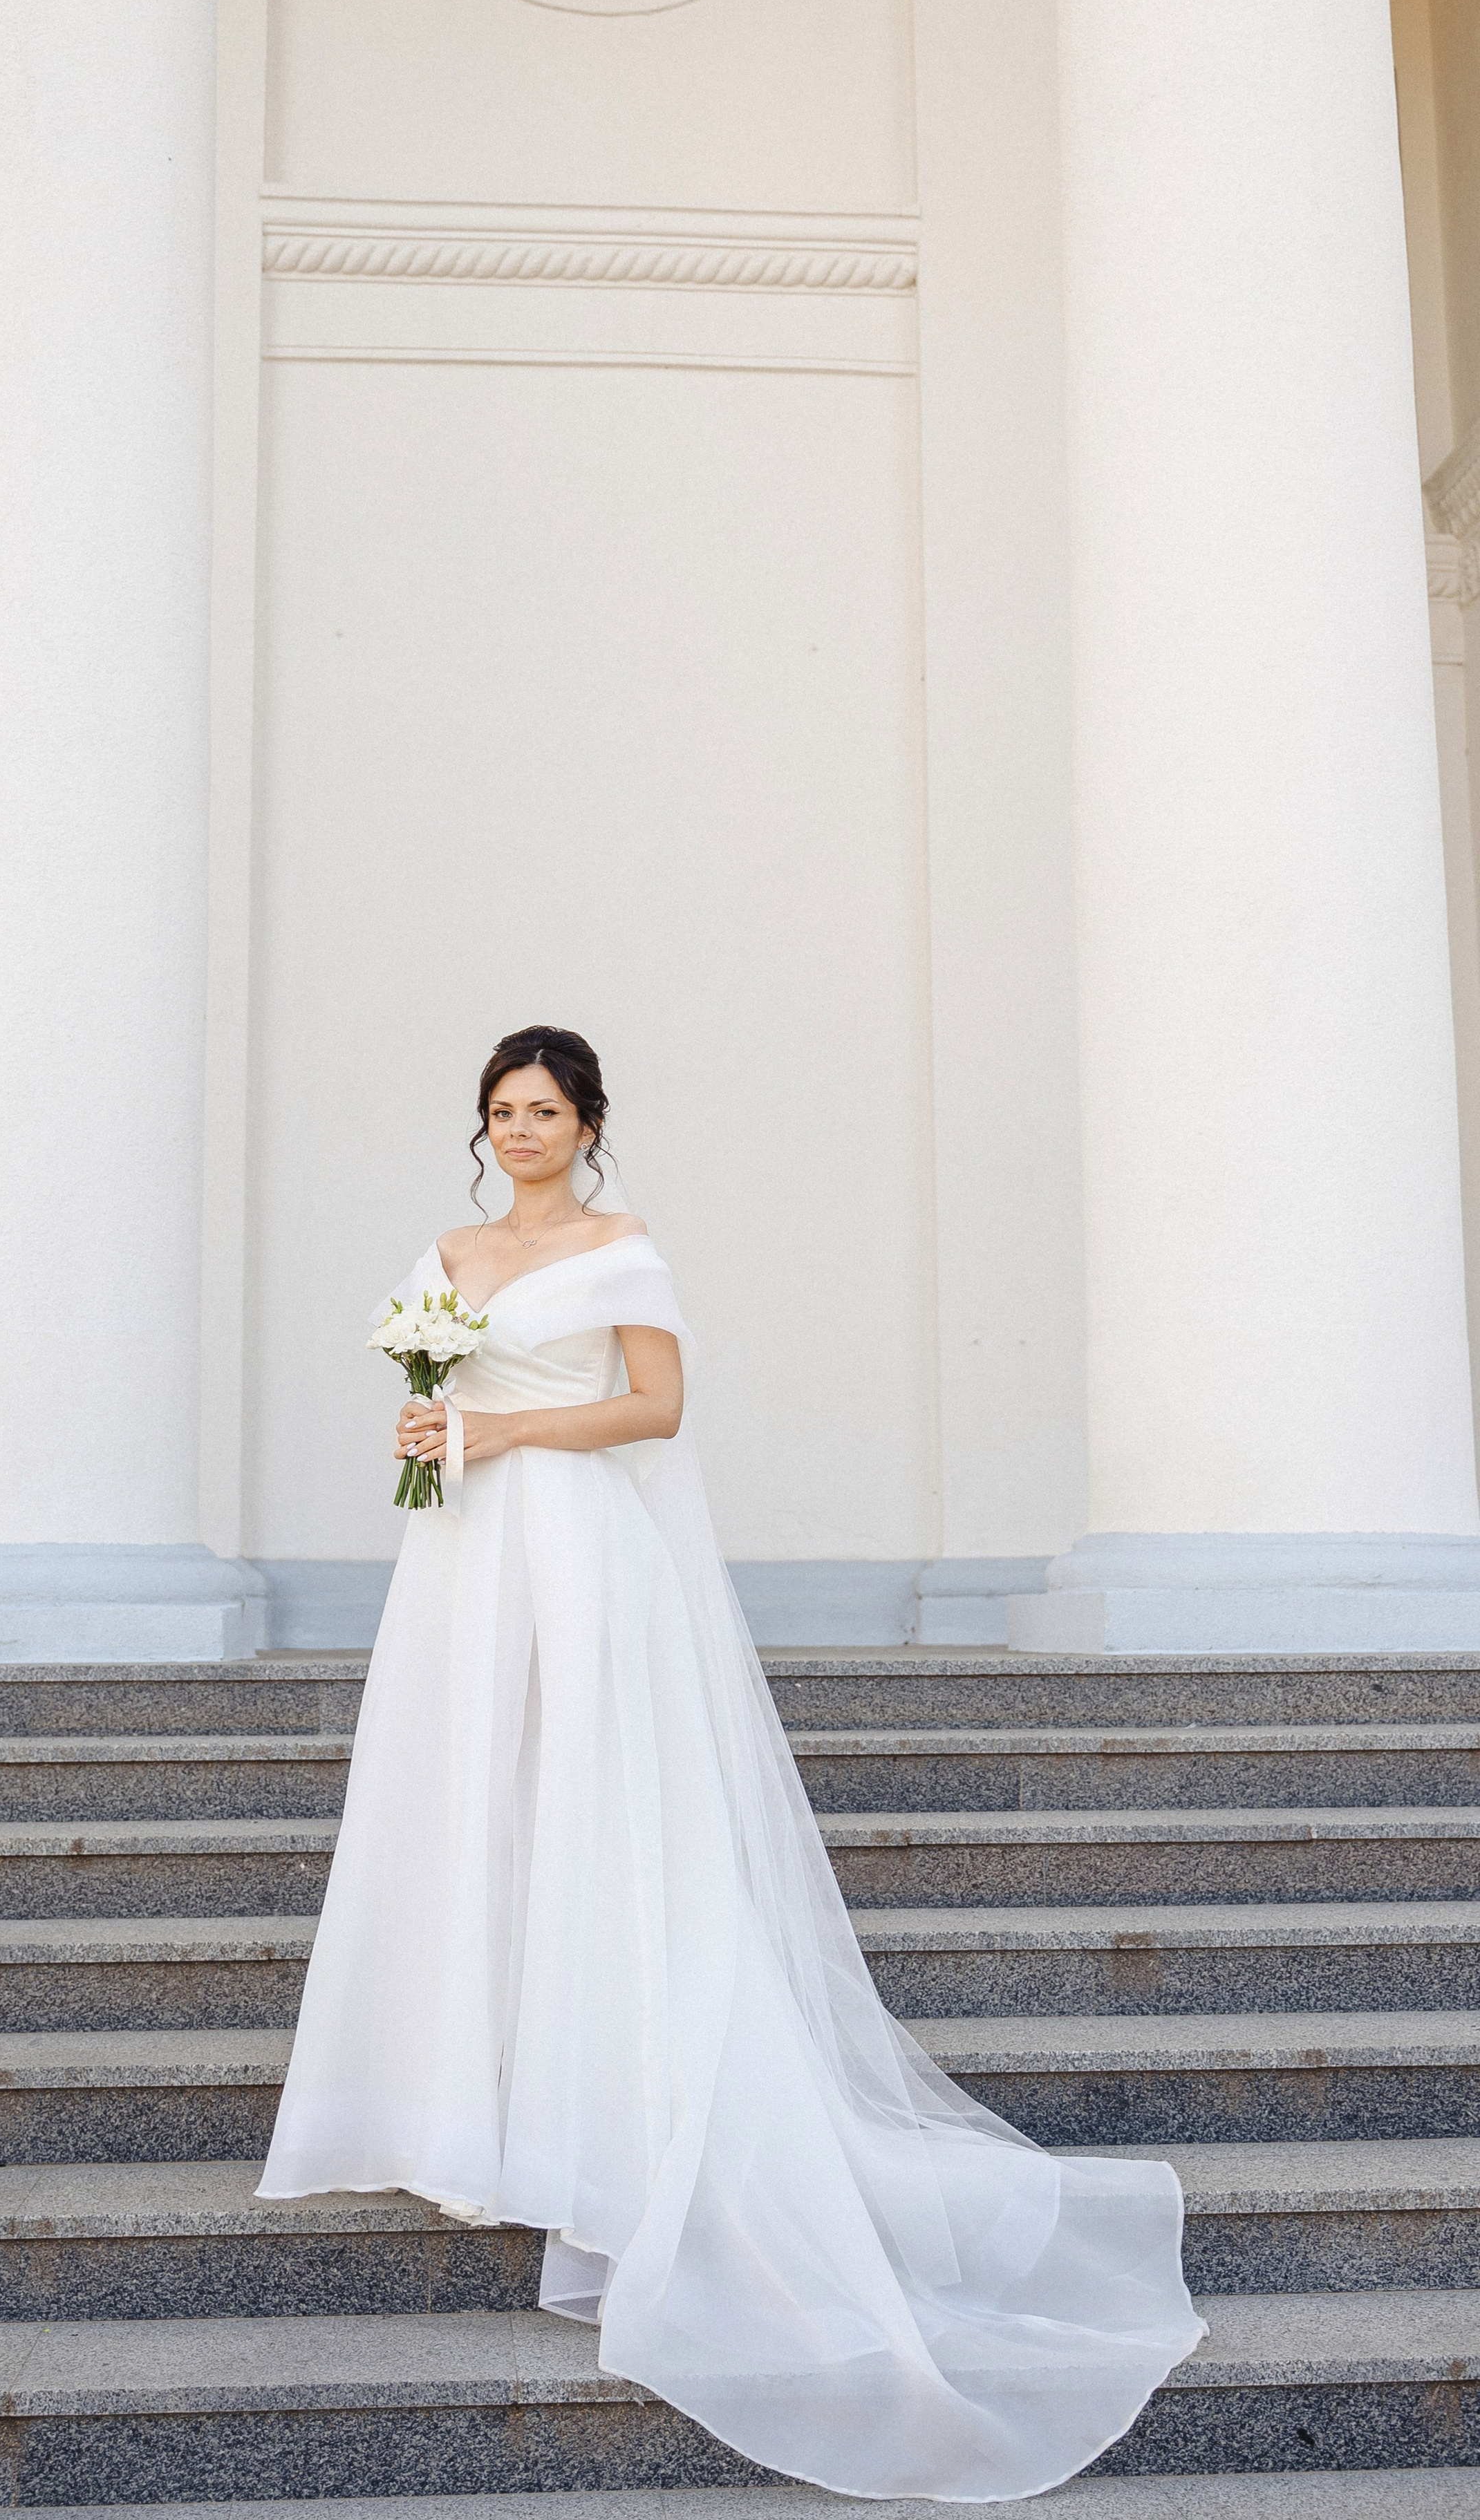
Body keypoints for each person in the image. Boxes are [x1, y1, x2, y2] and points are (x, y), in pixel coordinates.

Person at [258, 1024, 1204, 2501]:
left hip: (576, 1545)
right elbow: (438, 1407)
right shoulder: (444, 1248)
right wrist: (426, 1427)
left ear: (586, 1124)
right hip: (459, 1561)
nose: (521, 1131)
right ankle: (457, 2097)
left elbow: (655, 1408)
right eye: (501, 1111)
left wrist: (496, 1430)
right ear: (482, 1126)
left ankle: (594, 2106)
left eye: (545, 1111)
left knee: (579, 1811)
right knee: (464, 1807)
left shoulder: (623, 1249)